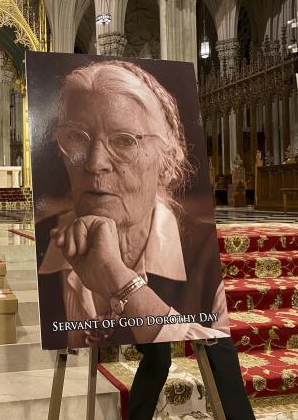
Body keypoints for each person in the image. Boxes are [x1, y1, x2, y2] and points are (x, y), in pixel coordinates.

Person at [35, 60, 255, 419]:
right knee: (156, 355)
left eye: (123, 141)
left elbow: (205, 334)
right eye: (77, 138)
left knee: (204, 349)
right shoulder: (46, 242)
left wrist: (120, 281)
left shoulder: (198, 252)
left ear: (167, 158)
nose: (95, 163)